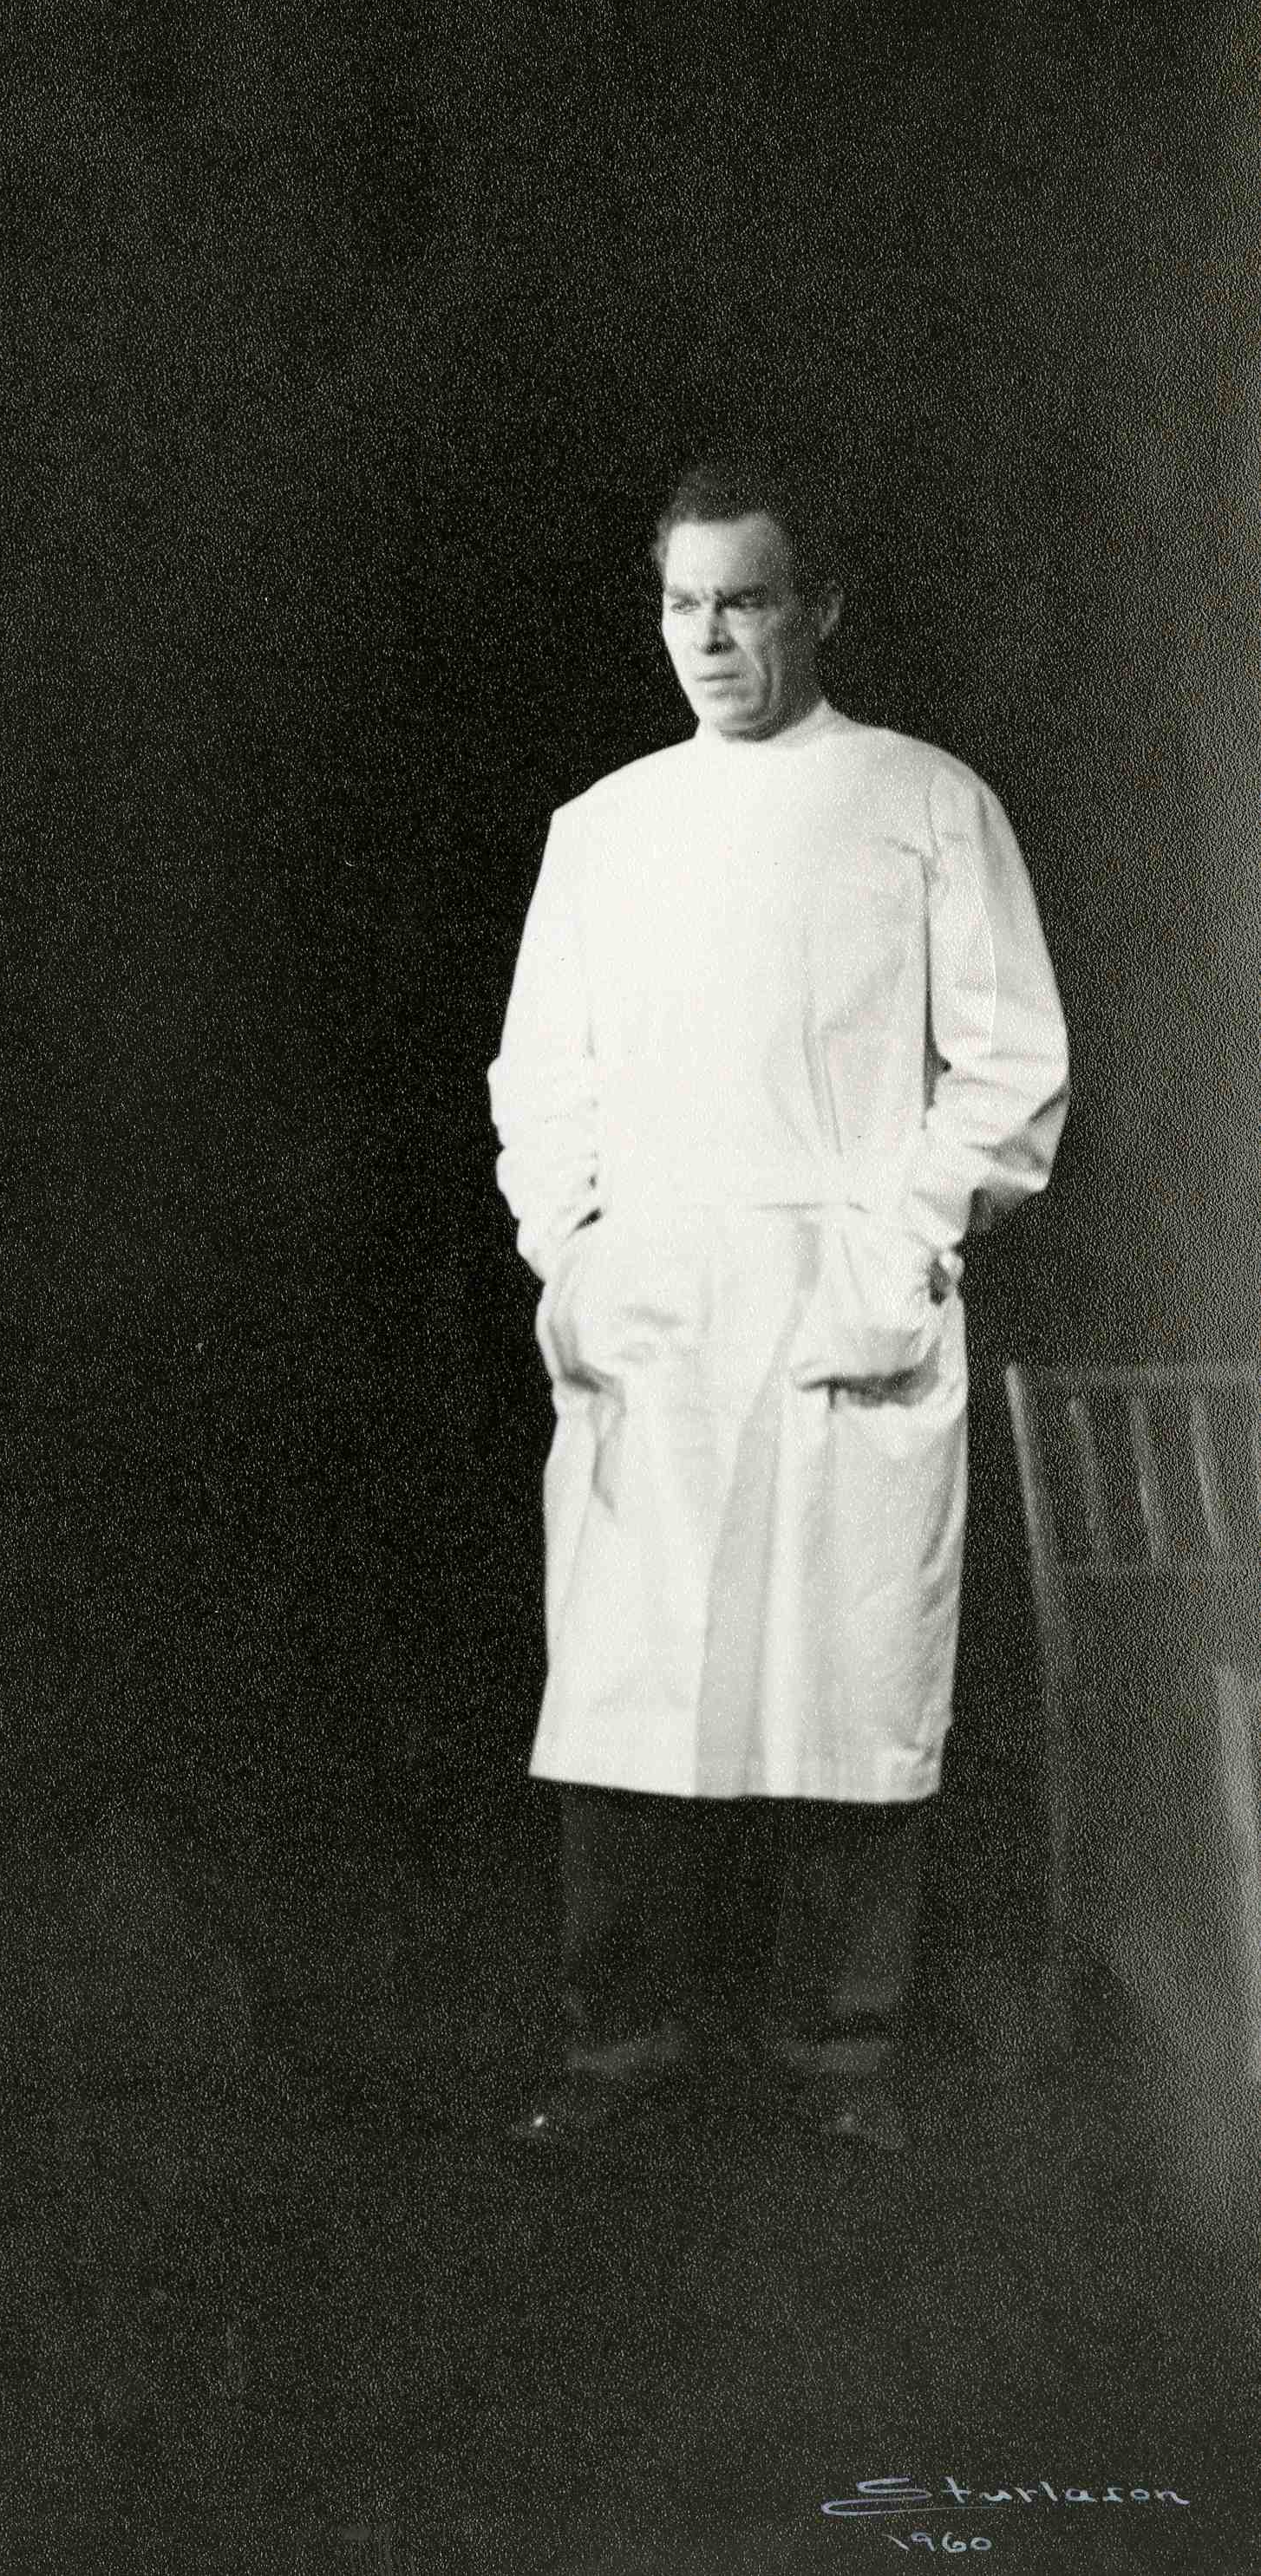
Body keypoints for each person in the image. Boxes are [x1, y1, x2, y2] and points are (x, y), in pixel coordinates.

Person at [487, 458, 1068, 2155]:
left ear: (820, 605)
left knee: (845, 1684)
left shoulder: (924, 803)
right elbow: (541, 1080)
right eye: (684, 603)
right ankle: (620, 2051)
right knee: (634, 1689)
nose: (711, 637)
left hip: (842, 1294)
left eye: (745, 600)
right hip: (656, 1311)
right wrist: (578, 1261)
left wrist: (898, 1246)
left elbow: (1011, 1062)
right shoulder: (602, 830)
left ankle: (837, 2056)